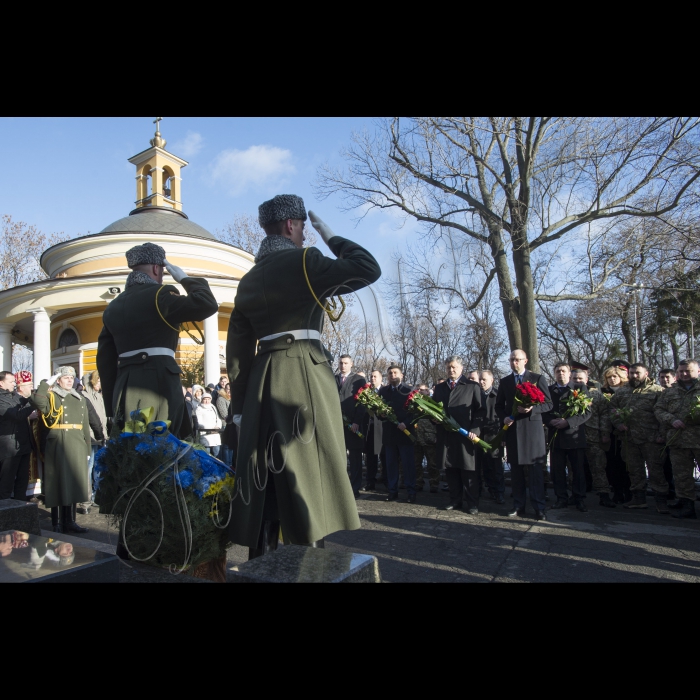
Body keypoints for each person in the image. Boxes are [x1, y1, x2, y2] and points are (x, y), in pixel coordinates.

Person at [226, 196, 381, 558]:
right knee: (310, 480)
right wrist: (330, 237)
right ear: (291, 226)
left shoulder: (247, 281)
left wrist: (240, 408)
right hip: (303, 375)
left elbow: (237, 355)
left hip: (262, 382)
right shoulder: (306, 261)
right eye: (304, 228)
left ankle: (259, 567)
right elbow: (366, 267)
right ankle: (313, 566)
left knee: (266, 485)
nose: (304, 234)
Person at [96, 242, 218, 439]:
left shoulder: (113, 306)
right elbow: (206, 304)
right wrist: (185, 279)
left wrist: (112, 407)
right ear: (156, 268)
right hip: (159, 385)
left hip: (125, 390)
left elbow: (105, 361)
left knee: (132, 452)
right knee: (164, 450)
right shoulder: (160, 296)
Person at [29, 366, 91, 534]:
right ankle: (57, 522)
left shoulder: (80, 398)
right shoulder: (51, 396)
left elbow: (85, 425)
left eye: (72, 377)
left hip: (77, 443)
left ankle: (70, 521)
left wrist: (87, 448)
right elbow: (36, 401)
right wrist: (46, 382)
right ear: (58, 380)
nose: (70, 380)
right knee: (56, 483)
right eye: (65, 377)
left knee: (74, 483)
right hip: (59, 442)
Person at [496, 349, 553, 521]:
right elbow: (499, 406)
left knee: (535, 472)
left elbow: (548, 404)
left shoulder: (537, 379)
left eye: (518, 360)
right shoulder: (505, 381)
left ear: (525, 360)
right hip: (513, 431)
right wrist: (504, 417)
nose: (514, 363)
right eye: (512, 360)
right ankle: (518, 505)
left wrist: (532, 409)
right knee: (517, 472)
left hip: (532, 431)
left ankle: (538, 507)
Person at [609, 362, 669, 512]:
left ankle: (661, 501)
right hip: (629, 438)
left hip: (652, 439)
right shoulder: (622, 392)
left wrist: (662, 435)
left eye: (638, 373)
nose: (634, 376)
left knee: (656, 470)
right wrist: (618, 424)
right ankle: (638, 498)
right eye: (632, 373)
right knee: (634, 470)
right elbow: (612, 410)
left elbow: (663, 414)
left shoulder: (657, 391)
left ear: (646, 374)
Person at [433, 357, 482, 513]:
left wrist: (475, 429)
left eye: (454, 367)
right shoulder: (440, 388)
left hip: (466, 435)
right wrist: (434, 419)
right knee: (451, 468)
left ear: (461, 368)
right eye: (448, 368)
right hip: (446, 435)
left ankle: (472, 503)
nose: (451, 370)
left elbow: (481, 410)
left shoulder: (472, 386)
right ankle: (455, 500)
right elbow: (434, 409)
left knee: (468, 470)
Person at [655, 359, 700, 519]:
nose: (684, 374)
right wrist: (671, 419)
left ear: (698, 372)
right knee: (681, 474)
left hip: (698, 440)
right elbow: (658, 409)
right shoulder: (670, 392)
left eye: (688, 371)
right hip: (678, 440)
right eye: (681, 371)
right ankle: (686, 504)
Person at [544, 363, 592, 512]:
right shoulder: (549, 390)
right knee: (557, 471)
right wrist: (549, 421)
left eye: (563, 371)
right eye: (558, 371)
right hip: (556, 436)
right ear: (554, 373)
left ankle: (579, 498)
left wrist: (568, 422)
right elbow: (543, 410)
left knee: (577, 470)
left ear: (569, 373)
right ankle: (561, 498)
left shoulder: (580, 388)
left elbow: (586, 412)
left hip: (574, 436)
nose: (561, 374)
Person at [572, 367, 615, 507]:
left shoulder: (596, 395)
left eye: (580, 379)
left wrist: (604, 433)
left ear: (586, 380)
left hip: (593, 436)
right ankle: (576, 495)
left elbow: (604, 415)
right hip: (574, 436)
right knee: (574, 467)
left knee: (598, 466)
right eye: (575, 379)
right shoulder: (568, 394)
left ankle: (604, 494)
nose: (578, 381)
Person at [378, 363, 416, 502]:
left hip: (405, 433)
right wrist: (380, 415)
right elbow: (378, 410)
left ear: (401, 375)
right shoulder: (383, 391)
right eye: (390, 373)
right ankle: (392, 491)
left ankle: (411, 492)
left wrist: (406, 423)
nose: (392, 376)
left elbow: (416, 412)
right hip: (389, 434)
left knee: (408, 465)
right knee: (391, 465)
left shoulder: (409, 390)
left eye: (395, 373)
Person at [0, 371, 35, 501]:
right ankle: (5, 515)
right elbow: (17, 416)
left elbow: (25, 402)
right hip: (8, 448)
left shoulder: (14, 396)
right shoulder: (1, 399)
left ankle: (21, 511)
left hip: (23, 445)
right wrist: (33, 403)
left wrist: (35, 396)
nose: (14, 384)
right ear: (1, 383)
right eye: (11, 382)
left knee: (22, 482)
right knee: (6, 484)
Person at [335, 354, 367, 497]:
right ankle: (340, 487)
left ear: (351, 364)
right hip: (337, 424)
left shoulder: (359, 380)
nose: (343, 365)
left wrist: (356, 422)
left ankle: (355, 488)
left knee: (355, 458)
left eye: (346, 363)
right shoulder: (333, 378)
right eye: (341, 363)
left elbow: (362, 403)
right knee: (339, 456)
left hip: (353, 424)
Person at [75, 372, 106, 514]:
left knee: (97, 469)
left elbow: (102, 418)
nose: (100, 384)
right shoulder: (83, 396)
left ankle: (95, 496)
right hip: (89, 439)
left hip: (101, 437)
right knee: (87, 468)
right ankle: (84, 500)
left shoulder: (99, 396)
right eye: (98, 381)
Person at [601, 366, 631, 503]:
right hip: (609, 433)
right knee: (612, 463)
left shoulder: (628, 391)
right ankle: (617, 491)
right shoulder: (601, 392)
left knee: (627, 463)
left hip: (626, 432)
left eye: (615, 376)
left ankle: (629, 491)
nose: (612, 379)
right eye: (609, 377)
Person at [478, 370, 505, 503]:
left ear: (491, 380)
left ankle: (499, 492)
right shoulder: (476, 395)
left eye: (484, 380)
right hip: (479, 435)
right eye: (480, 380)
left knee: (496, 466)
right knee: (484, 465)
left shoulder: (498, 395)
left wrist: (503, 437)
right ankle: (489, 489)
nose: (482, 382)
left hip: (494, 436)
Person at [656, 367, 677, 498]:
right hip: (660, 435)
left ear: (674, 378)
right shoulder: (657, 392)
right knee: (663, 465)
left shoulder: (676, 392)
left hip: (679, 435)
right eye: (662, 377)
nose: (664, 380)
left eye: (667, 377)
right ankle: (668, 490)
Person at [414, 384, 439, 493]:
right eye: (418, 389)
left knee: (432, 463)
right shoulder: (413, 404)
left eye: (422, 390)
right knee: (416, 462)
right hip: (417, 437)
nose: (420, 391)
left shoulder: (432, 403)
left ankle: (434, 483)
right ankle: (418, 482)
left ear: (428, 392)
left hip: (429, 436)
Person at [363, 369, 384, 490]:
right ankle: (370, 481)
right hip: (370, 428)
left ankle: (386, 481)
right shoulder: (366, 392)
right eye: (371, 376)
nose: (372, 378)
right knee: (370, 456)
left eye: (375, 376)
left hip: (382, 427)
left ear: (381, 378)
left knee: (384, 456)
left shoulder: (385, 391)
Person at [216, 384, 233, 466]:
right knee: (226, 446)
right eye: (228, 389)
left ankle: (230, 463)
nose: (229, 391)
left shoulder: (231, 399)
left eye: (231, 389)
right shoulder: (221, 399)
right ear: (225, 389)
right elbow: (224, 414)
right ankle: (227, 465)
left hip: (232, 424)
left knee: (231, 445)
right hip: (225, 424)